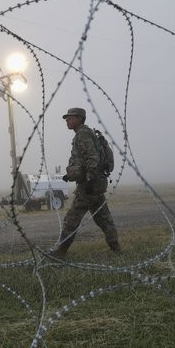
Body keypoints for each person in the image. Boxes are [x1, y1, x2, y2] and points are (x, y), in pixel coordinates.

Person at [51, 107, 121, 257]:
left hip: (91, 183)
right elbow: (84, 160)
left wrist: (90, 179)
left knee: (72, 217)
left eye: (70, 118)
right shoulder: (85, 134)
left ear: (80, 119)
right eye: (66, 118)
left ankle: (61, 250)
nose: (67, 120)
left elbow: (92, 157)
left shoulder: (83, 134)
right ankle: (116, 248)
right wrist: (71, 175)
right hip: (96, 182)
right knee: (103, 217)